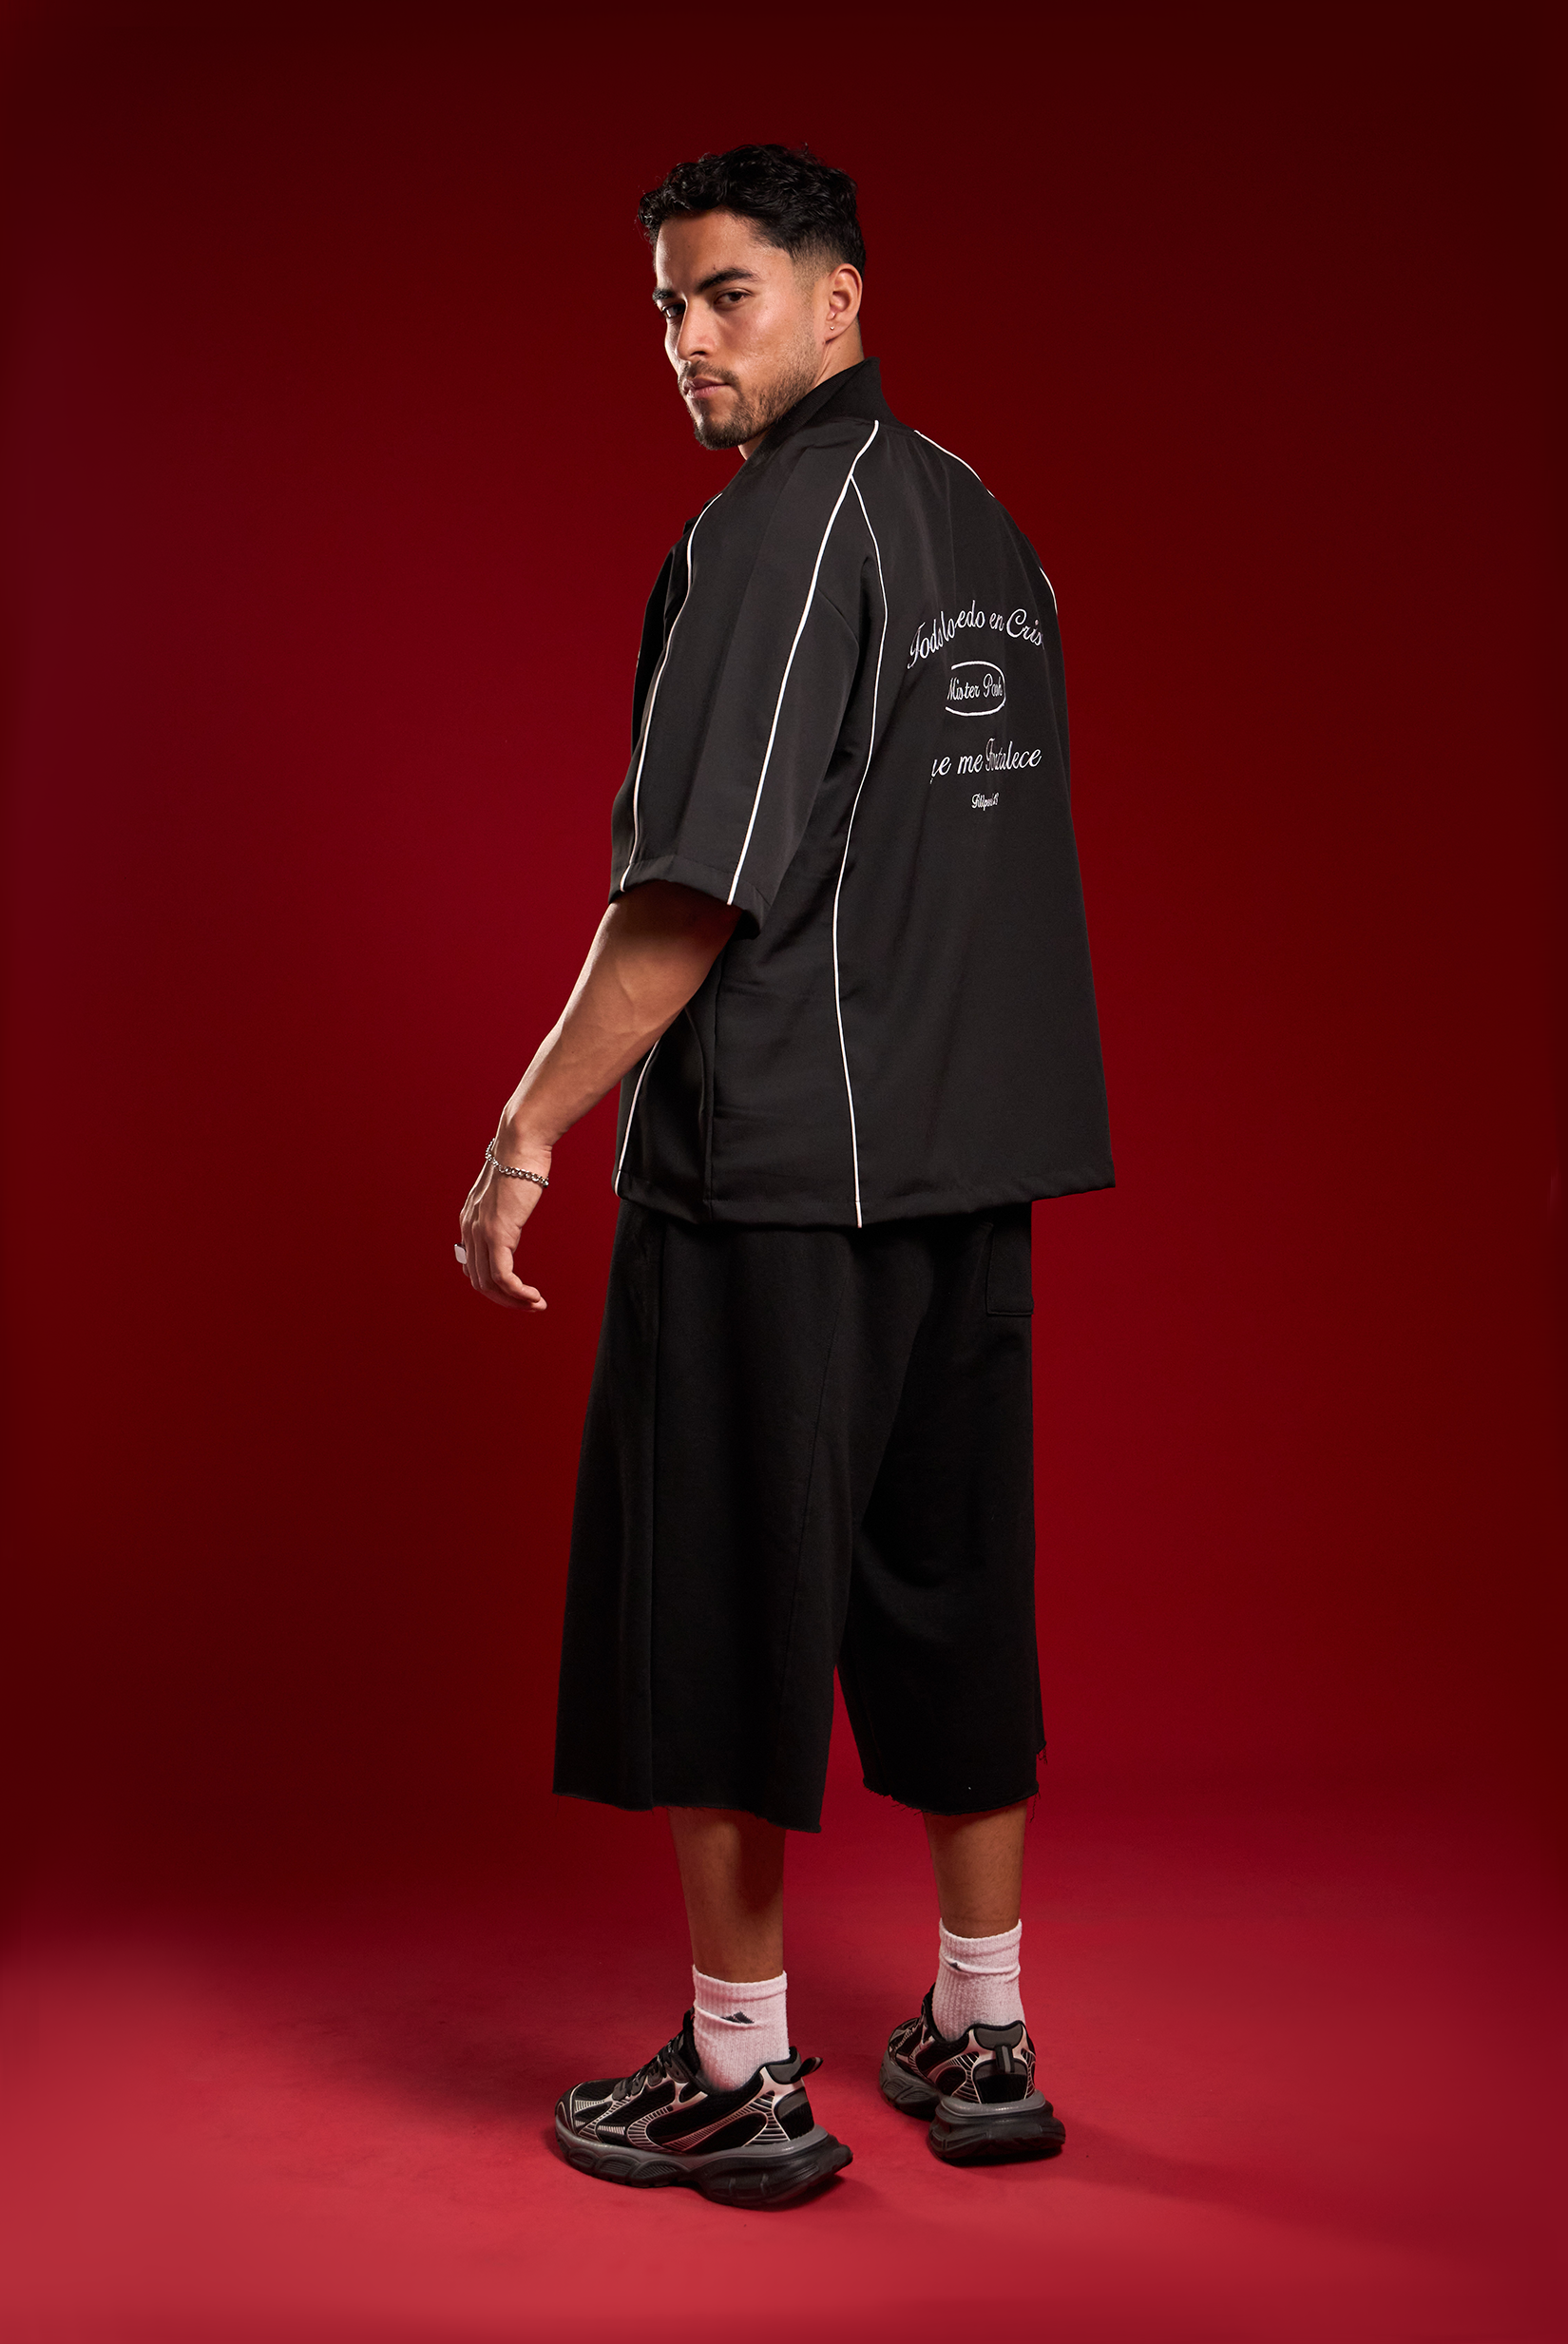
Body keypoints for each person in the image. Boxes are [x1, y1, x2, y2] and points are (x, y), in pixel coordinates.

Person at [457, 144, 1112, 2210]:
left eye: (723, 293)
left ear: (840, 298)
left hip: (776, 1179)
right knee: (952, 1592)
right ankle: (984, 2029)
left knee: (721, 1600)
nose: (685, 339)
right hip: (965, 1167)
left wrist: (528, 1124)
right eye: (665, 304)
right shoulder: (983, 519)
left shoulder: (772, 532)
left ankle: (740, 2075)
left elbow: (689, 893)